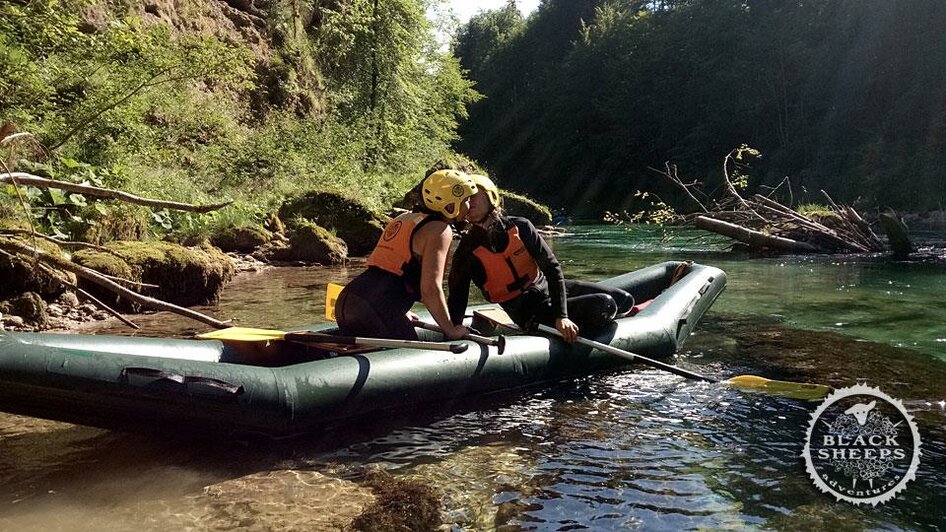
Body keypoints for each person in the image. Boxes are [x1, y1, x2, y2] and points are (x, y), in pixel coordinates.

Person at [447, 174, 633, 342]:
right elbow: (458, 297)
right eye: (463, 200)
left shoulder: (521, 227)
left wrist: (562, 315)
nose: (468, 204)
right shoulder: (466, 251)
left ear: (490, 196)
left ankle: (579, 323)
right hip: (528, 311)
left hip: (546, 290)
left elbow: (552, 269)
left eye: (473, 197)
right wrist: (455, 329)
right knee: (605, 304)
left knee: (624, 300)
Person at [335, 169, 476, 341]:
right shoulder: (440, 230)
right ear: (450, 205)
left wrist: (401, 310)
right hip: (376, 308)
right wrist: (450, 330)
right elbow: (430, 289)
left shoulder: (404, 218)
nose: (469, 205)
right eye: (466, 200)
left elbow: (389, 269)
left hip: (348, 300)